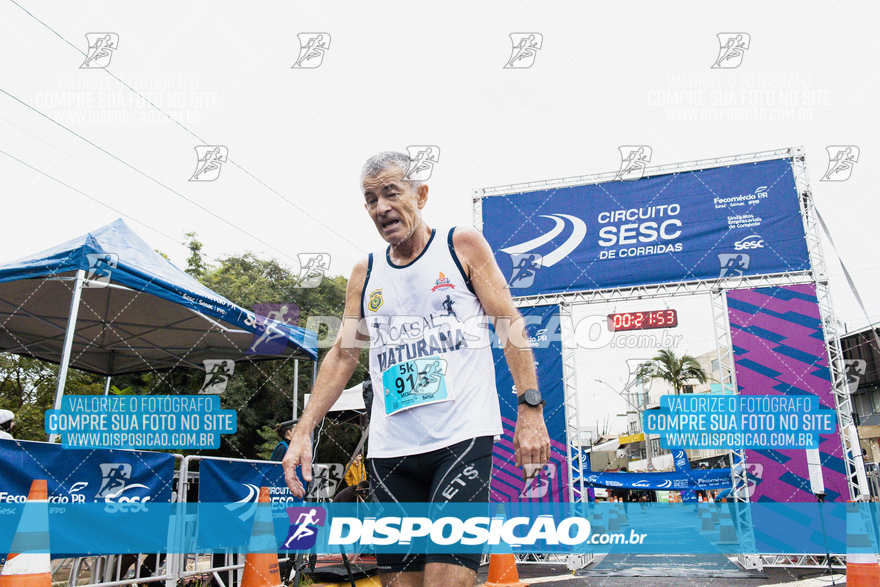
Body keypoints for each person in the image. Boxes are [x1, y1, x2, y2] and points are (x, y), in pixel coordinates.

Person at [283, 151, 550, 587]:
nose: (381, 207)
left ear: (421, 195)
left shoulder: (460, 245)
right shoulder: (364, 272)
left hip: (459, 439)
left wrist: (530, 408)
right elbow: (343, 355)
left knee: (446, 581)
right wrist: (303, 431)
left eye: (391, 193)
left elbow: (509, 323)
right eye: (371, 199)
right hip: (391, 453)